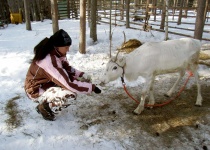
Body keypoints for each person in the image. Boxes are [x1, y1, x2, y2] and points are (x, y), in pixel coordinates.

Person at [24, 29, 101, 121]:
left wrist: (81, 75)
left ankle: (47, 102)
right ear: (57, 46)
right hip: (36, 90)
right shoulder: (49, 61)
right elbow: (68, 84)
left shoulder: (57, 53)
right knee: (70, 95)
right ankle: (44, 108)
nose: (68, 49)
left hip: (48, 83)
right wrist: (91, 87)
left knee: (77, 83)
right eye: (66, 47)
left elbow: (66, 69)